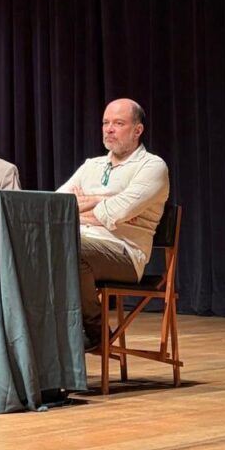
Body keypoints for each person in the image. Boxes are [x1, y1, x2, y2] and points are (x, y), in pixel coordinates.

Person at [57, 98, 169, 350]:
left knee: (70, 247)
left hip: (124, 252)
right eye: (106, 123)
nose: (109, 129)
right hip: (81, 242)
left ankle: (95, 332)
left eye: (118, 123)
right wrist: (104, 203)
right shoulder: (91, 166)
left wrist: (88, 202)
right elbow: (57, 206)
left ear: (137, 130)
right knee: (37, 247)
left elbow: (117, 211)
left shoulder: (151, 166)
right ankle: (52, 335)